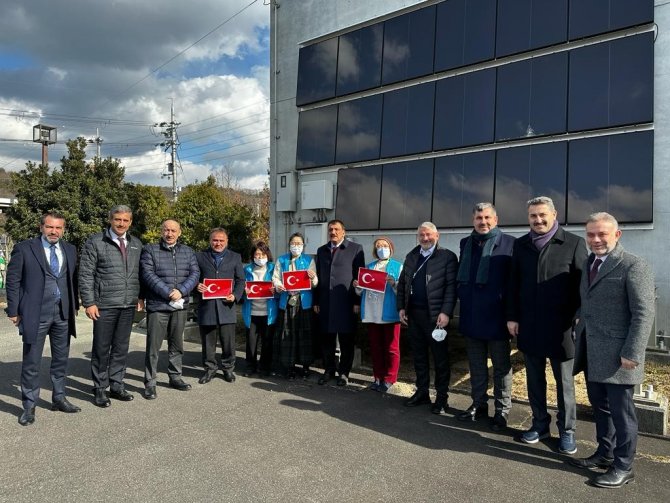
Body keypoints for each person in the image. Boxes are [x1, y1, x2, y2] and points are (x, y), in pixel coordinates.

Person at [570, 212, 655, 488]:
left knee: (622, 414)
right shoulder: (590, 262)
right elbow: (588, 301)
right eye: (591, 234)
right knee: (601, 408)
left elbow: (643, 312)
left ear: (617, 235)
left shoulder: (633, 265)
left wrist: (633, 352)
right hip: (593, 352)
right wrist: (579, 320)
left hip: (620, 356)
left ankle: (624, 466)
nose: (595, 239)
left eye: (602, 234)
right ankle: (605, 453)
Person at [506, 196, 587, 453]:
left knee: (564, 382)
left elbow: (583, 285)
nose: (538, 220)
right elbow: (513, 284)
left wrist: (579, 316)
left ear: (555, 214)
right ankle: (540, 424)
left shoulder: (574, 243)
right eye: (533, 216)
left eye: (543, 215)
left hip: (562, 327)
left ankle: (567, 431)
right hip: (529, 324)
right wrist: (512, 316)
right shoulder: (521, 245)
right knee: (534, 379)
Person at [5, 212, 81, 425]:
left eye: (58, 228)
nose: (54, 231)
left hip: (63, 314)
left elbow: (72, 279)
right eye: (49, 227)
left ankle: (59, 398)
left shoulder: (70, 249)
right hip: (35, 313)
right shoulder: (24, 248)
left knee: (60, 360)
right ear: (41, 227)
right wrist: (13, 310)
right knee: (31, 361)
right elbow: (13, 280)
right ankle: (29, 406)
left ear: (63, 229)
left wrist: (74, 305)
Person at [456, 203, 515, 430]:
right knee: (476, 365)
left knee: (501, 367)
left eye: (488, 217)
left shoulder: (510, 243)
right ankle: (478, 404)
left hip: (497, 317)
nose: (484, 222)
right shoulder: (465, 243)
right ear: (473, 220)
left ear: (496, 219)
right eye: (479, 218)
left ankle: (502, 411)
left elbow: (513, 284)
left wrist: (511, 315)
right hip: (471, 315)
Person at [79, 205, 143, 407]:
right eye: (117, 219)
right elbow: (86, 274)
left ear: (130, 222)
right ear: (110, 219)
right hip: (104, 305)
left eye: (125, 220)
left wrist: (140, 297)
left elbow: (140, 274)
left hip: (127, 305)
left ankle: (116, 385)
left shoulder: (136, 244)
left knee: (121, 348)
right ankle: (99, 388)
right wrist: (89, 302)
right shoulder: (96, 242)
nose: (121, 223)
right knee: (101, 348)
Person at [397, 222, 458, 414]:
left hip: (436, 317)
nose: (425, 238)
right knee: (419, 357)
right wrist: (401, 308)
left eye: (429, 235)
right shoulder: (411, 256)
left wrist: (446, 312)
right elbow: (402, 285)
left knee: (440, 359)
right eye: (421, 235)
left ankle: (441, 398)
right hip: (414, 315)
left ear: (437, 236)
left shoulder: (447, 257)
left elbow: (451, 288)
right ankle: (422, 392)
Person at [140, 219, 199, 399]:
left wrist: (181, 291)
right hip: (158, 305)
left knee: (176, 344)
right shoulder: (150, 250)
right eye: (166, 230)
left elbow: (195, 273)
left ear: (179, 232)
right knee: (153, 347)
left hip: (180, 305)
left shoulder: (188, 252)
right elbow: (147, 274)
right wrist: (168, 292)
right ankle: (150, 382)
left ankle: (175, 377)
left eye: (173, 230)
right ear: (161, 231)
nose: (170, 233)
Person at [314, 220, 365, 386]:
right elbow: (318, 276)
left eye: (336, 229)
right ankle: (329, 369)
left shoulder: (355, 249)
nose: (333, 232)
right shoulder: (321, 251)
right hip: (326, 302)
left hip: (346, 302)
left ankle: (344, 372)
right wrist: (316, 300)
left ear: (344, 231)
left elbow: (360, 278)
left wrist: (357, 301)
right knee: (326, 339)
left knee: (346, 340)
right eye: (330, 229)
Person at [195, 228, 245, 384]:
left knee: (228, 341)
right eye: (215, 240)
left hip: (226, 305)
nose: (218, 243)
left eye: (221, 240)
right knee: (208, 342)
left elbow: (240, 281)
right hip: (207, 305)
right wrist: (197, 286)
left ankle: (228, 369)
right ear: (210, 241)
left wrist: (235, 295)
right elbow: (193, 276)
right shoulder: (199, 256)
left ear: (227, 241)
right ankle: (209, 369)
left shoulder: (235, 257)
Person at [353, 237, 402, 393]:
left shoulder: (397, 266)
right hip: (372, 312)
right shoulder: (369, 267)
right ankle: (377, 377)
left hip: (389, 312)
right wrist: (357, 285)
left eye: (385, 245)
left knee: (392, 348)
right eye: (378, 246)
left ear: (390, 248)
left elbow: (404, 291)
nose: (382, 248)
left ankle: (390, 378)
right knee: (375, 346)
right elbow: (360, 291)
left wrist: (394, 283)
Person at [272, 232, 318, 379]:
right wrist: (279, 286)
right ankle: (288, 366)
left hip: (303, 302)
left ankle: (305, 367)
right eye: (293, 243)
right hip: (286, 301)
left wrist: (313, 277)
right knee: (287, 333)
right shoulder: (282, 260)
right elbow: (276, 278)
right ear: (289, 245)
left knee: (304, 334)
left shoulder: (309, 260)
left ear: (303, 246)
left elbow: (315, 283)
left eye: (299, 243)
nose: (296, 246)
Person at [242, 241, 278, 377]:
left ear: (267, 255)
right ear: (252, 256)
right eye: (257, 254)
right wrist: (244, 291)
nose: (260, 257)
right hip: (251, 312)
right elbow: (240, 287)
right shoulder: (247, 270)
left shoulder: (274, 269)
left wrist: (276, 290)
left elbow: (280, 287)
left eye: (262, 254)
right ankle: (250, 366)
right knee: (251, 342)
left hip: (268, 312)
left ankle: (265, 367)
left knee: (267, 341)